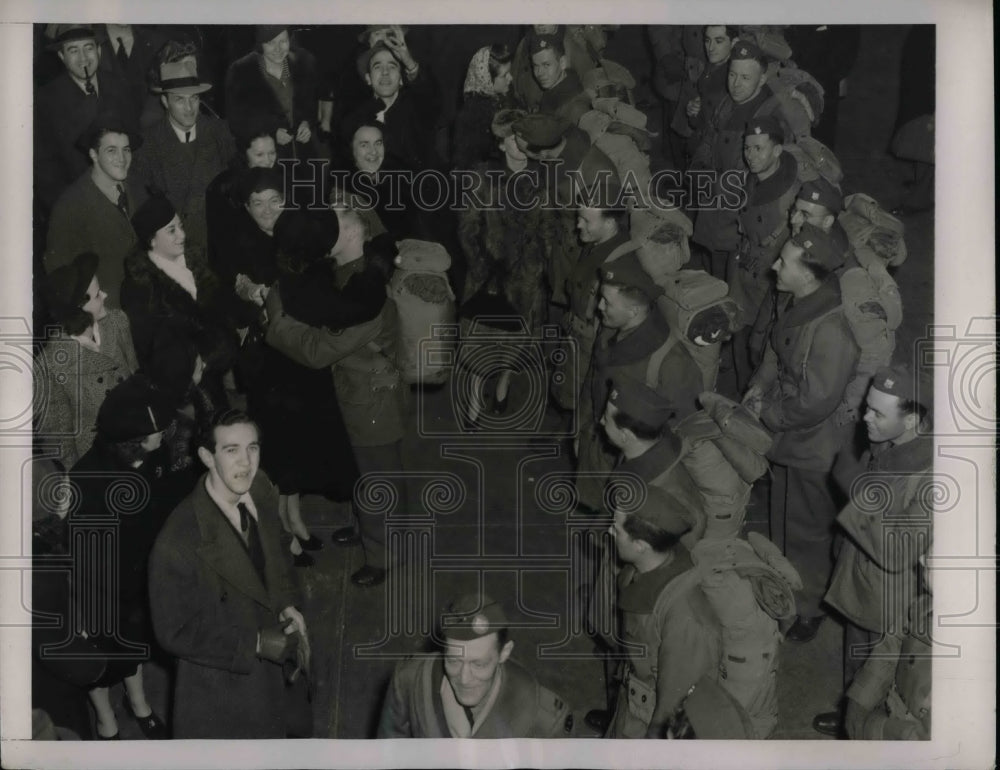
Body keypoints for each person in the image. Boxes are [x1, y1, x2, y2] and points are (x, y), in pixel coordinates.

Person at [265, 206, 408, 588]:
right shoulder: (347, 274)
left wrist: (275, 316)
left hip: (373, 401)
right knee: (363, 471)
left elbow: (317, 350)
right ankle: (366, 529)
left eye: (339, 221)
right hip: (355, 394)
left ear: (347, 237)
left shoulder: (368, 293)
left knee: (379, 478)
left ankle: (384, 555)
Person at [148, 409, 310, 738]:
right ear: (207, 456)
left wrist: (287, 603)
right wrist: (255, 643)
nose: (246, 462)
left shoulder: (260, 487)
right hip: (226, 681)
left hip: (281, 660)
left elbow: (278, 548)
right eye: (231, 450)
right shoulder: (178, 541)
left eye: (252, 448)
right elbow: (173, 631)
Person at [743, 224, 858, 643]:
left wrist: (767, 411)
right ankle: (782, 585)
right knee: (783, 516)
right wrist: (758, 384)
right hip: (789, 433)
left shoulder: (831, 329)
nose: (774, 265)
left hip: (813, 443)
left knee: (808, 528)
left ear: (808, 274)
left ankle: (808, 605)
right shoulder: (797, 300)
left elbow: (817, 401)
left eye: (784, 261)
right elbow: (775, 346)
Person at [813, 364, 933, 737]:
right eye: (867, 406)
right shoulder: (888, 439)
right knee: (856, 657)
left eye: (877, 413)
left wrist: (854, 491)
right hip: (861, 575)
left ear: (912, 420)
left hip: (891, 599)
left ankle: (868, 728)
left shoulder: (932, 479)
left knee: (882, 668)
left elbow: (898, 549)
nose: (865, 417)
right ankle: (853, 710)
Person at [70, 375, 180, 739]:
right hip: (99, 588)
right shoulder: (88, 478)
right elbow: (86, 557)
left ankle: (139, 705)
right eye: (158, 430)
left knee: (133, 647)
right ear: (134, 439)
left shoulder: (153, 454)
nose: (164, 434)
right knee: (101, 662)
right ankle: (106, 719)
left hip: (137, 580)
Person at [575, 253, 704, 513]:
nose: (599, 307)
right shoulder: (612, 328)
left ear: (633, 310)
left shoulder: (672, 363)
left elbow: (685, 430)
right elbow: (594, 381)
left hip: (636, 475)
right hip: (598, 449)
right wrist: (580, 428)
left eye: (607, 302)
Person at [456, 108, 550, 426]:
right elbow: (467, 229)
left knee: (516, 343)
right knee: (481, 343)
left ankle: (504, 384)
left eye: (523, 136)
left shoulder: (542, 178)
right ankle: (473, 398)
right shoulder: (482, 177)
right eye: (512, 137)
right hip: (489, 278)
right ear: (500, 143)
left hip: (526, 279)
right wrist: (483, 267)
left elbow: (548, 231)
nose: (519, 143)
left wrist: (533, 267)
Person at [601, 486, 717, 738]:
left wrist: (655, 737)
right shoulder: (643, 567)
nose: (609, 531)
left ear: (641, 545)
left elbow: (676, 697)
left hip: (648, 714)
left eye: (616, 529)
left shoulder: (685, 616)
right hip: (632, 692)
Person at [691, 40, 810, 281]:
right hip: (715, 206)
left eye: (745, 78)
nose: (735, 84)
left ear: (763, 79)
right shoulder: (728, 102)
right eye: (732, 75)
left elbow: (773, 177)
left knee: (734, 281)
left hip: (741, 221)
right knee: (715, 269)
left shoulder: (772, 116)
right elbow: (709, 141)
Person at [377, 594, 574, 738]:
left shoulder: (545, 720)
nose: (463, 679)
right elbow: (390, 752)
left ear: (504, 653)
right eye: (453, 661)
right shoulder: (410, 680)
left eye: (478, 664)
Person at [121, 195, 240, 395]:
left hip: (213, 372)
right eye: (171, 230)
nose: (182, 235)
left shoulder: (195, 262)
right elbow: (150, 346)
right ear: (152, 240)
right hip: (181, 387)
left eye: (180, 226)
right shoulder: (140, 287)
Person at [130, 41, 236, 254]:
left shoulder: (219, 132)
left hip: (221, 246)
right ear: (165, 101)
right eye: (179, 100)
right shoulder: (147, 147)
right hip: (177, 254)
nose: (189, 109)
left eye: (194, 98)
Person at [35, 252, 139, 468]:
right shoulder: (49, 366)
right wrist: (80, 482)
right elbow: (59, 439)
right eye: (97, 295)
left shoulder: (118, 322)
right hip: (98, 461)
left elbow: (136, 378)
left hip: (138, 441)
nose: (105, 295)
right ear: (78, 310)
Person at [44, 113, 149, 308]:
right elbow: (60, 276)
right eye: (111, 150)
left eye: (126, 150)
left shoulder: (137, 187)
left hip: (145, 307)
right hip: (105, 315)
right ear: (93, 154)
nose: (122, 158)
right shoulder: (69, 207)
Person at [731, 116, 800, 391]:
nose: (750, 156)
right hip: (743, 267)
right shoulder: (750, 178)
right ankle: (739, 390)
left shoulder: (790, 195)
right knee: (738, 331)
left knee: (762, 345)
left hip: (771, 278)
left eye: (759, 148)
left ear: (777, 150)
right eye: (747, 148)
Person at [34, 24, 132, 212]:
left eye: (88, 48)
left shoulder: (119, 85)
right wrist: (71, 211)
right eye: (73, 50)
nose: (83, 58)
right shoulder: (46, 100)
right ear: (62, 57)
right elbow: (45, 169)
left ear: (99, 51)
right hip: (78, 205)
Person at [343, 30, 440, 171]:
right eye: (377, 67)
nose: (385, 72)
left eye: (392, 66)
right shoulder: (355, 119)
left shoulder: (417, 109)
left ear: (401, 78)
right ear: (368, 79)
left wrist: (409, 62)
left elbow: (430, 95)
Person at [225, 26, 320, 162]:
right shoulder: (241, 72)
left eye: (283, 41)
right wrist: (271, 132)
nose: (278, 49)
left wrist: (306, 123)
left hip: (303, 156)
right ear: (260, 44)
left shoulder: (303, 63)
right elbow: (236, 121)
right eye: (271, 43)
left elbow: (310, 105)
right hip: (266, 159)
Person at [205, 118, 280, 278]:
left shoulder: (280, 179)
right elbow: (223, 244)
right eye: (259, 154)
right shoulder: (224, 186)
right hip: (239, 270)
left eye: (272, 153)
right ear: (244, 154)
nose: (268, 161)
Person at [451, 44, 514, 170]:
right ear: (487, 80)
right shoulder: (473, 117)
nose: (510, 78)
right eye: (504, 75)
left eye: (510, 72)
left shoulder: (501, 97)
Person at [529, 33, 591, 125]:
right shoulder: (552, 88)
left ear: (562, 63)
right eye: (535, 66)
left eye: (546, 65)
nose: (540, 73)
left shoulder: (576, 108)